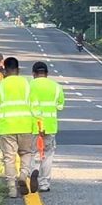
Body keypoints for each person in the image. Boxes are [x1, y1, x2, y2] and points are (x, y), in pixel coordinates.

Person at [0, 57, 36, 198]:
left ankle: (12, 189)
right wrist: (37, 124)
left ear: (4, 70)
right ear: (18, 70)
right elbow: (35, 106)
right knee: (26, 153)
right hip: (26, 125)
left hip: (7, 127)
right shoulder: (28, 84)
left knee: (9, 158)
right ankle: (23, 175)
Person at [29, 61, 65, 193]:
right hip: (50, 126)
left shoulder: (28, 86)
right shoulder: (56, 87)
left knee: (33, 152)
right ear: (47, 74)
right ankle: (44, 183)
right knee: (48, 154)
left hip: (33, 125)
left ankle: (33, 171)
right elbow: (60, 105)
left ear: (33, 74)